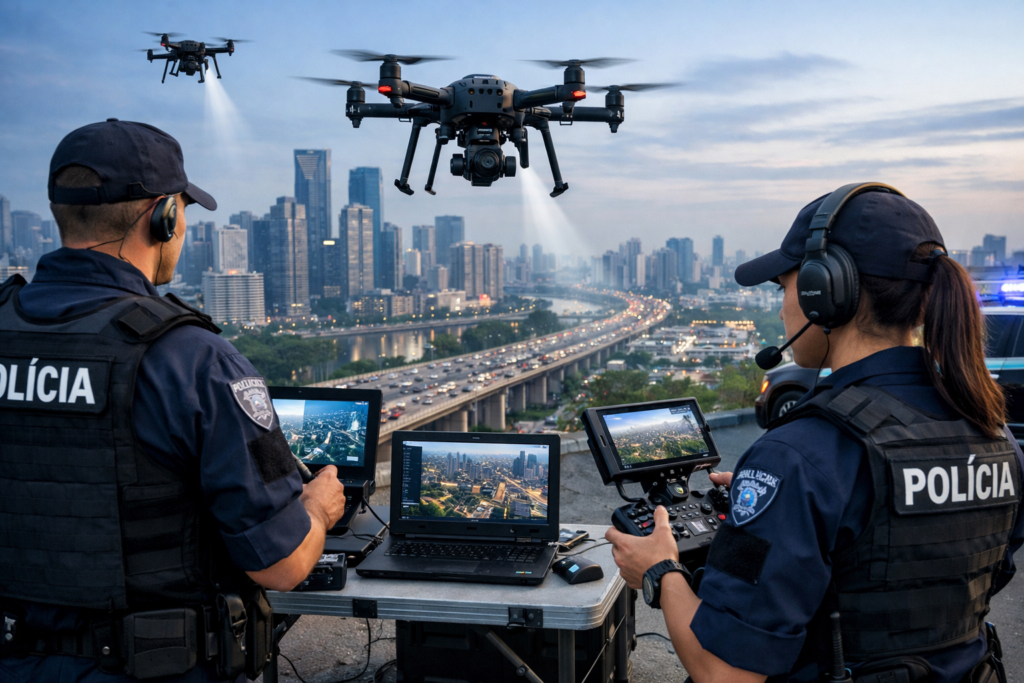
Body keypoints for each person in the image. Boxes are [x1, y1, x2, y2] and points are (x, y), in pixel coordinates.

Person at [606, 185, 1023, 683]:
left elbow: (724, 674)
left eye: (785, 287)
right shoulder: (995, 434)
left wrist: (659, 571)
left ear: (825, 292)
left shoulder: (798, 456)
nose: (783, 307)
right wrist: (783, 505)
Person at [0, 120, 348, 682]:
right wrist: (316, 508)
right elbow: (281, 566)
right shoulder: (190, 358)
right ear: (163, 216)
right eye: (184, 211)